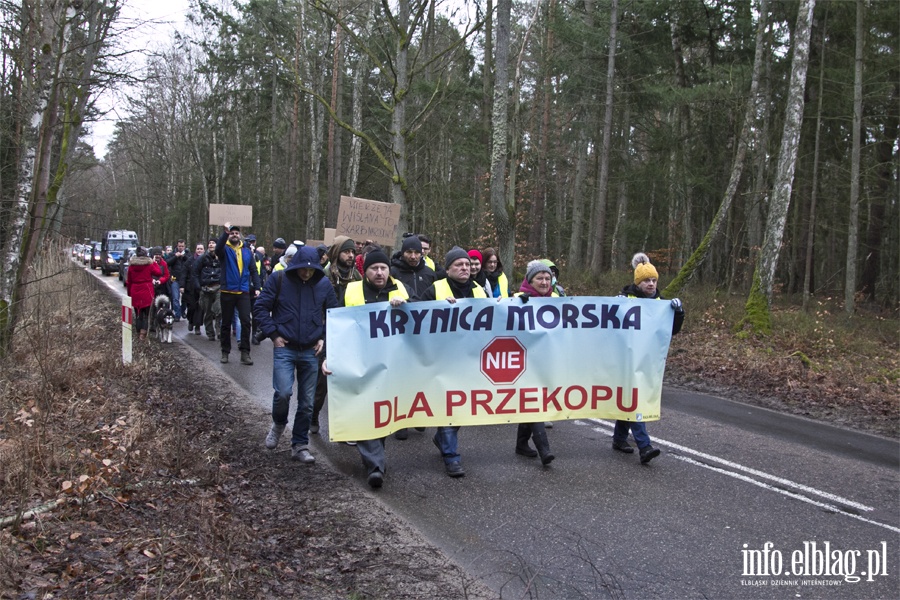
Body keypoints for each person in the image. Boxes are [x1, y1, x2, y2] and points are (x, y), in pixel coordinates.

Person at [322, 249, 409, 488]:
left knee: (383, 410)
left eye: (383, 268)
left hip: (392, 364)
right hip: (359, 361)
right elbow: (337, 324)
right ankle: (375, 465)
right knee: (365, 409)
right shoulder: (352, 290)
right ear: (365, 271)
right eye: (374, 268)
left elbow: (421, 320)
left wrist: (406, 305)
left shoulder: (400, 289)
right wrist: (329, 356)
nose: (379, 272)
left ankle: (375, 459)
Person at [254, 246, 338, 463]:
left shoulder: (323, 284)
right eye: (303, 270)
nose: (307, 274)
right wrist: (273, 334)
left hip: (311, 350)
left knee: (307, 402)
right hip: (285, 347)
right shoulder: (279, 279)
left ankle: (299, 445)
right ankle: (279, 423)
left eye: (311, 271)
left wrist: (323, 339)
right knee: (282, 393)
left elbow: (334, 315)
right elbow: (261, 307)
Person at [420, 246, 488, 477]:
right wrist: (438, 309)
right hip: (443, 359)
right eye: (459, 265)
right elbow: (417, 319)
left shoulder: (479, 291)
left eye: (467, 265)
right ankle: (451, 456)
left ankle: (442, 438)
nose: (465, 268)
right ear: (448, 269)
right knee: (449, 404)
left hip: (471, 359)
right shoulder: (435, 290)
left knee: (463, 405)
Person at [612, 252, 685, 464]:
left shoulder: (662, 304)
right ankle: (645, 446)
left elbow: (672, 331)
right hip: (626, 359)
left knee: (630, 399)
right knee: (636, 401)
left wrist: (678, 313)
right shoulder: (626, 300)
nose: (651, 284)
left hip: (648, 360)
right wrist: (615, 307)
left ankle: (618, 438)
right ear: (638, 282)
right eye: (646, 280)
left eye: (653, 280)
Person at [511, 260, 559, 465]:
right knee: (534, 401)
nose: (545, 282)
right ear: (530, 280)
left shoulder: (558, 298)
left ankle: (521, 444)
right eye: (540, 278)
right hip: (524, 360)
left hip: (547, 358)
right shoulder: (516, 298)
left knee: (531, 401)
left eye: (548, 278)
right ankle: (544, 449)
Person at [216, 223, 260, 365]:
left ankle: (245, 352)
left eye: (236, 233)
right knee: (226, 323)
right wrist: (225, 233)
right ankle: (225, 352)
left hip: (243, 291)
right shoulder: (224, 249)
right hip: (227, 290)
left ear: (240, 235)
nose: (234, 235)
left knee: (246, 321)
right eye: (232, 233)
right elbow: (217, 249)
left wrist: (258, 286)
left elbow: (253, 270)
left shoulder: (247, 251)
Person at [125, 247, 160, 341]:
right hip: (146, 290)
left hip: (135, 290)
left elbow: (129, 281)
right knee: (146, 314)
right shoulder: (149, 264)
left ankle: (138, 332)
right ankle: (143, 334)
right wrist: (155, 263)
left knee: (137, 313)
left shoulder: (132, 266)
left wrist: (129, 294)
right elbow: (158, 272)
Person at [390, 235, 436, 301]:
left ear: (421, 254)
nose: (413, 256)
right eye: (409, 252)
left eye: (417, 252)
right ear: (403, 253)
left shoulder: (430, 273)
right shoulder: (392, 273)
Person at [195, 239, 222, 341]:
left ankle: (219, 330)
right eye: (209, 243)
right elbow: (195, 272)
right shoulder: (202, 258)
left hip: (218, 287)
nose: (211, 245)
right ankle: (210, 333)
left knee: (219, 310)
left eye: (213, 243)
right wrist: (198, 286)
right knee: (207, 312)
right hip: (205, 288)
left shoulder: (222, 258)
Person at [184, 243, 206, 334]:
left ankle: (197, 326)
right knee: (192, 307)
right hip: (191, 288)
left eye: (201, 249)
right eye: (198, 249)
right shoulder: (190, 261)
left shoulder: (207, 260)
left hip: (202, 287)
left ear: (204, 250)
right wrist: (182, 286)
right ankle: (190, 321)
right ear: (195, 250)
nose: (199, 250)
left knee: (200, 308)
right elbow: (184, 273)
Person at [165, 240, 189, 321]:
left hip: (185, 280)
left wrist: (184, 257)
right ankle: (177, 314)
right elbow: (167, 263)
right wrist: (176, 256)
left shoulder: (187, 253)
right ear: (177, 246)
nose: (181, 248)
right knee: (175, 298)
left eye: (182, 246)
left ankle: (182, 311)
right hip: (175, 279)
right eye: (179, 246)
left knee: (185, 299)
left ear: (184, 246)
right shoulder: (172, 254)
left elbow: (191, 262)